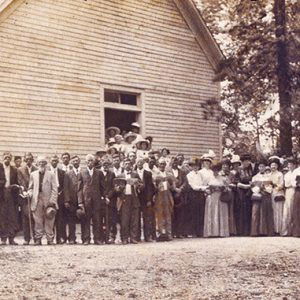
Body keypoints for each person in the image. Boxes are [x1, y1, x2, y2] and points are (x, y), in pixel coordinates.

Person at [27, 156, 58, 245]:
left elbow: (54, 189)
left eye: (43, 162)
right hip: (37, 199)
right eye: (40, 162)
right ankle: (38, 238)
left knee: (50, 219)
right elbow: (31, 187)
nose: (41, 164)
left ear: (46, 164)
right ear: (37, 164)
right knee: (38, 220)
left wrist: (52, 200)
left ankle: (50, 239)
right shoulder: (33, 174)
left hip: (48, 199)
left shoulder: (51, 174)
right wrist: (29, 193)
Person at [78, 154, 105, 245]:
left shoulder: (99, 173)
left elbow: (102, 188)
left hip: (96, 200)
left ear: (94, 162)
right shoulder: (81, 172)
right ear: (86, 162)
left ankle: (97, 239)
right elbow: (79, 189)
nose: (90, 162)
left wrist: (102, 198)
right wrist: (80, 202)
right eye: (88, 161)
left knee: (97, 220)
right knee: (86, 220)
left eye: (91, 161)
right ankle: (86, 239)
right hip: (86, 200)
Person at [117, 159, 141, 244]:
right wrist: (118, 189)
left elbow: (141, 185)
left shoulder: (135, 174)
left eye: (129, 164)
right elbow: (116, 188)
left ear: (131, 165)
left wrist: (137, 185)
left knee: (134, 219)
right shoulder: (120, 175)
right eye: (125, 164)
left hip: (134, 198)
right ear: (123, 165)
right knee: (124, 220)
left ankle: (133, 238)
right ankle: (124, 238)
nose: (127, 165)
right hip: (124, 199)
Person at [203, 163, 230, 238]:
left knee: (220, 213)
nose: (215, 172)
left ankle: (221, 232)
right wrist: (208, 191)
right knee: (212, 213)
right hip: (211, 197)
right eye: (214, 170)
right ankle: (211, 232)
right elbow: (204, 187)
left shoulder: (223, 178)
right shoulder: (208, 178)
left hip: (220, 197)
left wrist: (222, 189)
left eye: (217, 170)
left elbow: (227, 188)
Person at [17, 152, 38, 245]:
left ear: (32, 160)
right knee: (25, 217)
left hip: (34, 196)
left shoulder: (36, 169)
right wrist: (24, 191)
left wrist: (32, 191)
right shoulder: (20, 170)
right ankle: (27, 238)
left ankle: (36, 237)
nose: (28, 160)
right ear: (24, 160)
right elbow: (20, 182)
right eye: (27, 159)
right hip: (25, 197)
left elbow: (37, 182)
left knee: (34, 217)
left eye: (30, 159)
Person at [250, 159, 274, 236]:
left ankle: (265, 232)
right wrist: (259, 188)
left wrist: (265, 188)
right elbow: (253, 188)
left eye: (263, 166)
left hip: (266, 195)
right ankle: (255, 232)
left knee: (266, 213)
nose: (261, 168)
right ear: (258, 168)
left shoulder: (269, 177)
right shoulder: (255, 177)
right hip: (257, 196)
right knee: (255, 213)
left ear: (265, 167)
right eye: (260, 166)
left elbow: (270, 188)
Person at [153, 158, 175, 241]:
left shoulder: (169, 174)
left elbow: (173, 187)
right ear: (158, 165)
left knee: (168, 214)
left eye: (163, 164)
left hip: (167, 195)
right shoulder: (155, 174)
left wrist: (170, 184)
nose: (162, 165)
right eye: (160, 164)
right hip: (159, 195)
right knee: (159, 215)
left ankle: (169, 234)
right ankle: (160, 234)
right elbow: (153, 187)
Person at [0, 152, 19, 245]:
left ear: (11, 159)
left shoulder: (14, 170)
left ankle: (11, 238)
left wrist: (14, 187)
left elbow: (16, 182)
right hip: (1, 195)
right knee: (2, 217)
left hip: (11, 195)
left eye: (9, 157)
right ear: (3, 158)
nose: (7, 159)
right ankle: (3, 238)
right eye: (5, 157)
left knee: (12, 217)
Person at [136, 158, 156, 242]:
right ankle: (137, 237)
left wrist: (149, 200)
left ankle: (147, 236)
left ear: (144, 163)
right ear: (136, 164)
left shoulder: (148, 173)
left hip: (145, 199)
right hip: (136, 199)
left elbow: (150, 188)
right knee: (136, 218)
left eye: (141, 162)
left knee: (146, 218)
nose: (140, 164)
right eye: (138, 162)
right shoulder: (133, 173)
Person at [185, 158, 206, 237]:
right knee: (193, 213)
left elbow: (203, 183)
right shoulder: (189, 175)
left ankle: (199, 231)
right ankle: (192, 231)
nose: (195, 167)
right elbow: (193, 186)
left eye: (197, 166)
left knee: (200, 213)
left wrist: (204, 187)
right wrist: (203, 188)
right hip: (193, 194)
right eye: (194, 166)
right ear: (191, 166)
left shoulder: (201, 174)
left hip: (200, 194)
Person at [63, 155, 81, 244]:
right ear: (72, 162)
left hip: (82, 199)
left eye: (77, 161)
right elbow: (65, 188)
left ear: (79, 162)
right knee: (71, 220)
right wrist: (66, 200)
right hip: (72, 200)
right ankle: (72, 238)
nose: (75, 162)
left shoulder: (83, 172)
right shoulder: (68, 174)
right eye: (74, 161)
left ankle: (85, 238)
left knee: (83, 218)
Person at [49, 155, 67, 244]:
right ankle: (51, 238)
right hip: (50, 197)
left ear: (58, 162)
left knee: (60, 218)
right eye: (53, 161)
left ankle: (59, 238)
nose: (54, 162)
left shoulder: (62, 172)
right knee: (51, 217)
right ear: (50, 161)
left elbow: (64, 186)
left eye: (56, 161)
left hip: (60, 197)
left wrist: (60, 193)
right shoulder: (47, 172)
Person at [168, 157, 186, 238]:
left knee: (180, 213)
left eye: (176, 162)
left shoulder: (181, 172)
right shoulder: (168, 171)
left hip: (180, 194)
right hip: (171, 194)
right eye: (173, 162)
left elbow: (185, 182)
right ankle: (172, 232)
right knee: (172, 213)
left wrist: (180, 189)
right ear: (171, 162)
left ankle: (179, 232)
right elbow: (167, 183)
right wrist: (174, 189)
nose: (175, 163)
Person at [236, 153, 253, 236]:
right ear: (242, 162)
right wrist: (246, 186)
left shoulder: (250, 170)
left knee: (248, 209)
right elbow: (237, 183)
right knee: (242, 210)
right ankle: (241, 231)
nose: (248, 163)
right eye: (246, 161)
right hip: (241, 192)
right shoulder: (239, 170)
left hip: (249, 192)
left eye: (249, 161)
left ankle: (248, 230)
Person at [100, 158, 116, 244]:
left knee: (109, 219)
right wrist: (102, 197)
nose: (105, 166)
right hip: (100, 199)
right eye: (104, 164)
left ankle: (109, 237)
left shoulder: (112, 174)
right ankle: (101, 237)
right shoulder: (98, 173)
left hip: (109, 200)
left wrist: (108, 197)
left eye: (107, 165)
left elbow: (113, 187)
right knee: (100, 219)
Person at [269, 156, 285, 235]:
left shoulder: (280, 174)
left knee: (279, 211)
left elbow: (281, 185)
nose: (273, 167)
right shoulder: (269, 174)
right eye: (272, 165)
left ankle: (279, 230)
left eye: (275, 165)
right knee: (273, 211)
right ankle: (274, 229)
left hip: (278, 193)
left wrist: (275, 185)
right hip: (271, 193)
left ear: (277, 166)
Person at [281, 157, 297, 236]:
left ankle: (294, 230)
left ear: (294, 165)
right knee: (288, 209)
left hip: (296, 190)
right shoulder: (286, 174)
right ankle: (286, 231)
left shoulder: (296, 172)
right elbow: (287, 184)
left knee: (295, 209)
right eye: (289, 164)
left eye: (291, 164)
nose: (290, 166)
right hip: (289, 191)